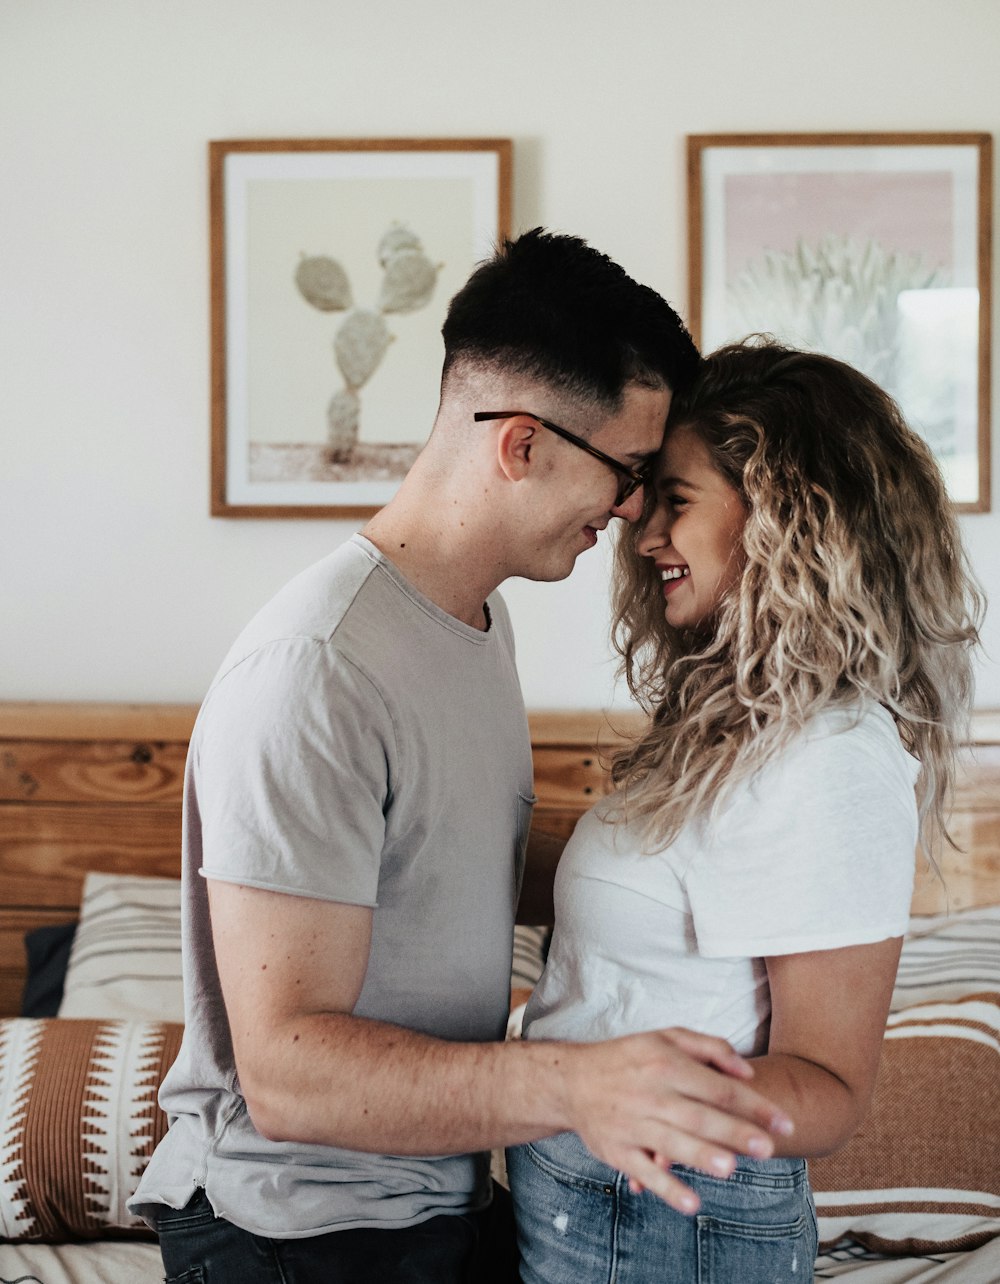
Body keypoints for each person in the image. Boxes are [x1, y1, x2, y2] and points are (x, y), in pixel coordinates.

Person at [129, 233, 795, 1283]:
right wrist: (578, 1086)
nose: (629, 511)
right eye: (625, 471)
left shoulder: (474, 621)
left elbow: (431, 878)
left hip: (427, 1203)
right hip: (294, 1235)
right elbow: (291, 1075)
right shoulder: (318, 668)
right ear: (520, 444)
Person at [507, 336, 983, 1283]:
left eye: (675, 502)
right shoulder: (731, 724)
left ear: (783, 518)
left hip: (669, 1220)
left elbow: (832, 1092)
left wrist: (611, 1092)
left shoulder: (832, 756)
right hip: (587, 1199)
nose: (645, 538)